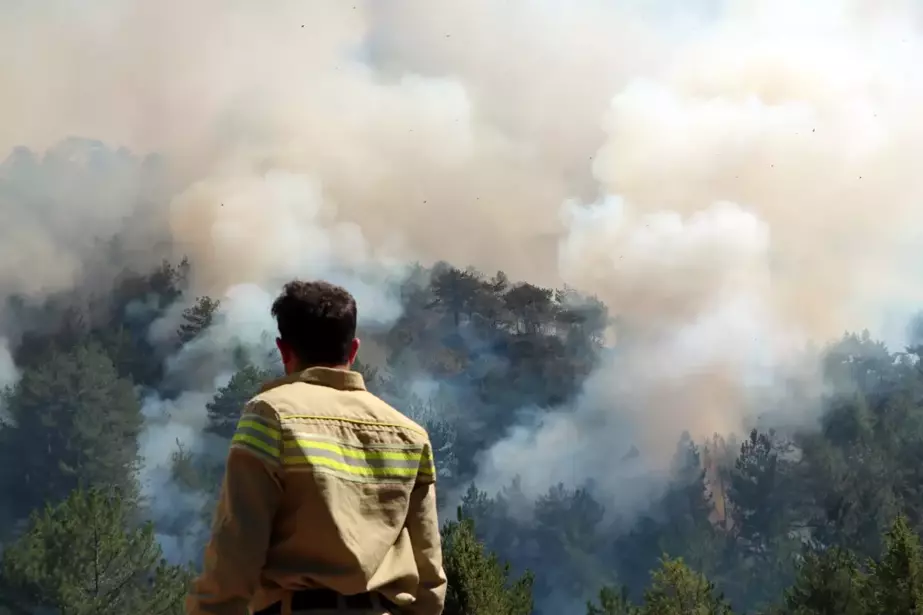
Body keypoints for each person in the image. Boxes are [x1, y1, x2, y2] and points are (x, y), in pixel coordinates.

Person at [186, 280, 447, 615]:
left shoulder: (270, 416)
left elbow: (236, 551)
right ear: (353, 350)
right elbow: (430, 576)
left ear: (283, 350)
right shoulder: (410, 435)